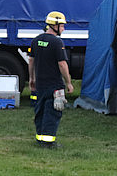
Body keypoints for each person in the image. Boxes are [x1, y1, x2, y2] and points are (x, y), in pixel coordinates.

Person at [28, 11, 74, 149]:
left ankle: (40, 138)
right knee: (53, 112)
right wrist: (69, 83)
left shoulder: (36, 40)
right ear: (55, 25)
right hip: (54, 85)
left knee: (40, 111)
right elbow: (62, 64)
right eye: (62, 26)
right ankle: (48, 142)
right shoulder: (57, 42)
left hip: (41, 84)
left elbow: (31, 60)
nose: (64, 29)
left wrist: (32, 79)